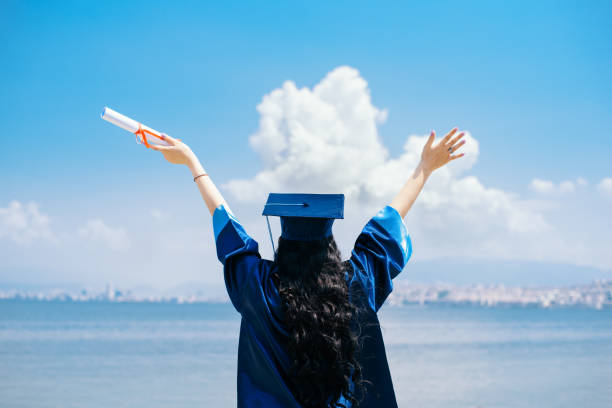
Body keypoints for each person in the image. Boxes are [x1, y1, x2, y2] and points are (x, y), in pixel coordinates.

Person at [151, 128, 466, 407]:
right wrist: (425, 168)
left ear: (284, 242)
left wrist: (193, 164)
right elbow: (385, 230)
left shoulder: (258, 287)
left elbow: (228, 228)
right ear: (329, 244)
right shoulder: (355, 284)